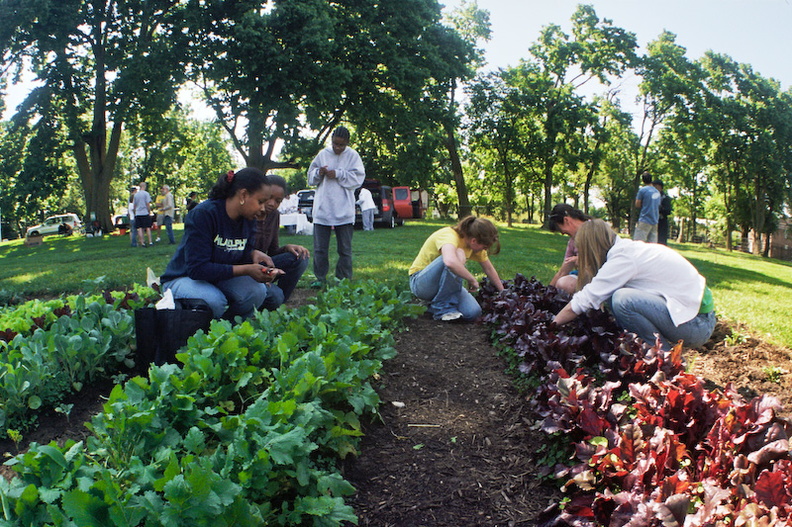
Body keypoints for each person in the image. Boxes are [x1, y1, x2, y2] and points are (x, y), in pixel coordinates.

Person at [552, 219, 716, 351]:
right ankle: (650, 354)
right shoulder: (624, 250)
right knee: (614, 295)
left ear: (591, 249)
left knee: (622, 300)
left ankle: (667, 362)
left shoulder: (623, 259)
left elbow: (583, 301)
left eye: (582, 251)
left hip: (698, 324)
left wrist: (550, 326)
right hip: (693, 316)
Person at [160, 168, 283, 320]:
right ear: (243, 195)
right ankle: (203, 332)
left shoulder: (248, 219)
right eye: (261, 201)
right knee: (215, 301)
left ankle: (229, 328)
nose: (264, 208)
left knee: (257, 291)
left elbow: (237, 253)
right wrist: (247, 269)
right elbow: (197, 269)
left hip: (217, 278)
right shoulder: (204, 214)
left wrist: (254, 257)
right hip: (184, 277)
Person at [409, 216, 504, 322]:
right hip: (421, 284)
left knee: (473, 312)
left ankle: (431, 306)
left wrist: (503, 292)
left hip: (443, 286)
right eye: (484, 247)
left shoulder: (473, 246)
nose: (484, 250)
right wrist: (471, 279)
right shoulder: (449, 235)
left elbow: (489, 269)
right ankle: (443, 308)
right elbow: (449, 261)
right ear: (474, 240)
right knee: (458, 255)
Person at [307, 126, 366, 287]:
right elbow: (310, 178)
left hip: (344, 209)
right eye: (335, 144)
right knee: (320, 249)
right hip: (323, 208)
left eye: (341, 145)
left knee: (345, 250)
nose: (338, 148)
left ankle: (344, 279)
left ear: (347, 143)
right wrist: (319, 173)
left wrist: (339, 174)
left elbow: (358, 179)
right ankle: (320, 278)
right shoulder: (323, 154)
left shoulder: (353, 156)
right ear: (331, 140)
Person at [252, 174, 311, 305]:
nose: (272, 203)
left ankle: (280, 299)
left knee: (300, 257)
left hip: (264, 264)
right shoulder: (248, 212)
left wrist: (287, 248)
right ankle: (270, 296)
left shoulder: (274, 215)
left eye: (278, 201)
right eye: (269, 197)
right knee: (274, 296)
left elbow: (272, 252)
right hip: (245, 267)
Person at [547, 203, 591, 294]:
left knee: (566, 284)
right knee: (564, 283)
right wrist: (547, 291)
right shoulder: (572, 241)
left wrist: (581, 260)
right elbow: (562, 271)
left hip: (602, 275)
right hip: (583, 275)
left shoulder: (595, 230)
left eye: (560, 229)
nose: (562, 233)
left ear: (566, 220)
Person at [633, 171, 661, 243]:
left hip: (645, 219)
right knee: (652, 245)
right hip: (655, 220)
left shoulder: (643, 190)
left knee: (638, 242)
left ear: (643, 180)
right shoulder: (657, 192)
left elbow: (637, 204)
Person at [133, 181, 153, 247]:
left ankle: (142, 243)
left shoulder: (136, 195)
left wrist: (135, 212)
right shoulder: (146, 194)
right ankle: (150, 242)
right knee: (148, 227)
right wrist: (149, 211)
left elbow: (134, 205)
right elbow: (148, 203)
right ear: (144, 186)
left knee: (140, 228)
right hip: (145, 212)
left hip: (138, 213)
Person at [653, 179, 673, 246]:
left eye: (656, 186)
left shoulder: (665, 198)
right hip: (652, 220)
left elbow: (668, 210)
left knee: (661, 241)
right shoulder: (651, 197)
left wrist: (659, 208)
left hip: (661, 222)